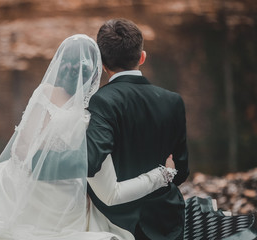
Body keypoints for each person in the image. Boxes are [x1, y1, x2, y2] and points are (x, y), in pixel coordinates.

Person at [0, 34, 179, 240]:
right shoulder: (92, 116)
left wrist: (39, 164)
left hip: (15, 185)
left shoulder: (44, 94)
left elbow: (21, 152)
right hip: (61, 206)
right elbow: (109, 192)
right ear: (97, 72)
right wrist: (161, 175)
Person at [86, 18, 256, 240]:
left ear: (102, 63)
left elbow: (90, 162)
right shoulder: (172, 100)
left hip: (120, 221)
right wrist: (161, 175)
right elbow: (181, 172)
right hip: (167, 218)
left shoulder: (100, 101)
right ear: (142, 57)